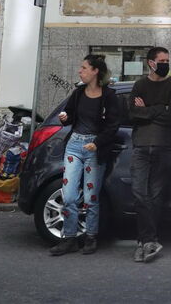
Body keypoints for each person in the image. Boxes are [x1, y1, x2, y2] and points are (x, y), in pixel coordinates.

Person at [49, 55, 120, 257]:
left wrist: (97, 143)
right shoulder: (78, 93)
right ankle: (69, 238)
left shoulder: (109, 96)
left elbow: (113, 125)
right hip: (74, 146)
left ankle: (90, 236)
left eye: (84, 67)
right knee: (69, 195)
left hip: (94, 149)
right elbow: (69, 115)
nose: (80, 71)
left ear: (95, 71)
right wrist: (65, 118)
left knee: (91, 197)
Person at [128, 46, 171, 263]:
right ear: (151, 63)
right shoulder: (140, 85)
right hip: (141, 146)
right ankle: (149, 240)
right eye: (162, 60)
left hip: (164, 147)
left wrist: (147, 110)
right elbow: (132, 113)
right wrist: (162, 108)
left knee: (156, 196)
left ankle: (145, 242)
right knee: (139, 194)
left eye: (167, 60)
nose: (165, 64)